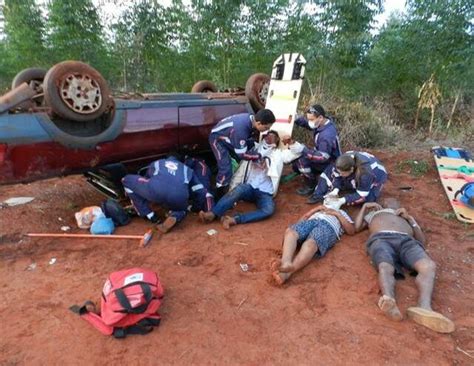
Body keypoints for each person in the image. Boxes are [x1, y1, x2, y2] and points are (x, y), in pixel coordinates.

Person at [354, 198, 455, 333]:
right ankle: (389, 301)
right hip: (381, 239)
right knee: (385, 266)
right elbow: (356, 227)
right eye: (387, 201)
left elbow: (422, 240)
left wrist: (411, 219)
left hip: (407, 241)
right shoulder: (374, 213)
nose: (389, 202)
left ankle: (424, 307)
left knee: (428, 266)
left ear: (399, 205)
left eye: (394, 201)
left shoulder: (405, 216)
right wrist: (365, 207)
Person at [199, 130, 299, 229]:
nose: (269, 138)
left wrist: (291, 142)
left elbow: (296, 153)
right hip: (250, 188)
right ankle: (213, 214)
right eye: (267, 135)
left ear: (277, 141)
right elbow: (240, 142)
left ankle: (234, 220)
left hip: (265, 192)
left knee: (269, 210)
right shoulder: (254, 148)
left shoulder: (279, 154)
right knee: (239, 188)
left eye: (273, 136)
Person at [271, 197, 355, 285]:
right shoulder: (319, 209)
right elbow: (299, 223)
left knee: (311, 244)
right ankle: (286, 263)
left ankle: (287, 273)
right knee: (291, 232)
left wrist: (337, 214)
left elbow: (351, 230)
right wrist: (315, 210)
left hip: (328, 227)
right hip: (312, 221)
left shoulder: (342, 213)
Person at [122, 156, 212, 233]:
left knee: (126, 180)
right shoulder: (186, 169)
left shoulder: (158, 163)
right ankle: (175, 215)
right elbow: (201, 191)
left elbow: (146, 177)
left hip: (157, 189)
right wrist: (195, 207)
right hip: (179, 194)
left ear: (167, 159)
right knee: (182, 209)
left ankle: (150, 215)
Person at [209, 109, 276, 197]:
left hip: (227, 135)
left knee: (249, 146)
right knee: (226, 168)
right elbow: (242, 155)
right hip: (217, 140)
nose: (267, 130)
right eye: (266, 128)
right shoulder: (241, 130)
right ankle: (219, 193)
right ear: (259, 123)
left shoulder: (251, 119)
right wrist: (258, 156)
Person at [286, 104, 341, 196]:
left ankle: (310, 185)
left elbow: (323, 157)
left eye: (311, 119)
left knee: (301, 161)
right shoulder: (323, 123)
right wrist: (297, 119)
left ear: (320, 117)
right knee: (296, 164)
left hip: (330, 162)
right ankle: (311, 172)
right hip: (324, 154)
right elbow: (309, 124)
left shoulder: (326, 135)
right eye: (308, 119)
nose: (309, 122)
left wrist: (303, 149)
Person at [307, 151, 387, 205]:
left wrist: (342, 200)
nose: (340, 174)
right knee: (330, 171)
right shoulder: (341, 162)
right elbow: (337, 176)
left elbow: (361, 194)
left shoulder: (365, 174)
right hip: (354, 168)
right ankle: (318, 194)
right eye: (339, 172)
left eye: (342, 173)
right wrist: (335, 190)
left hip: (377, 175)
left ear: (351, 170)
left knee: (367, 199)